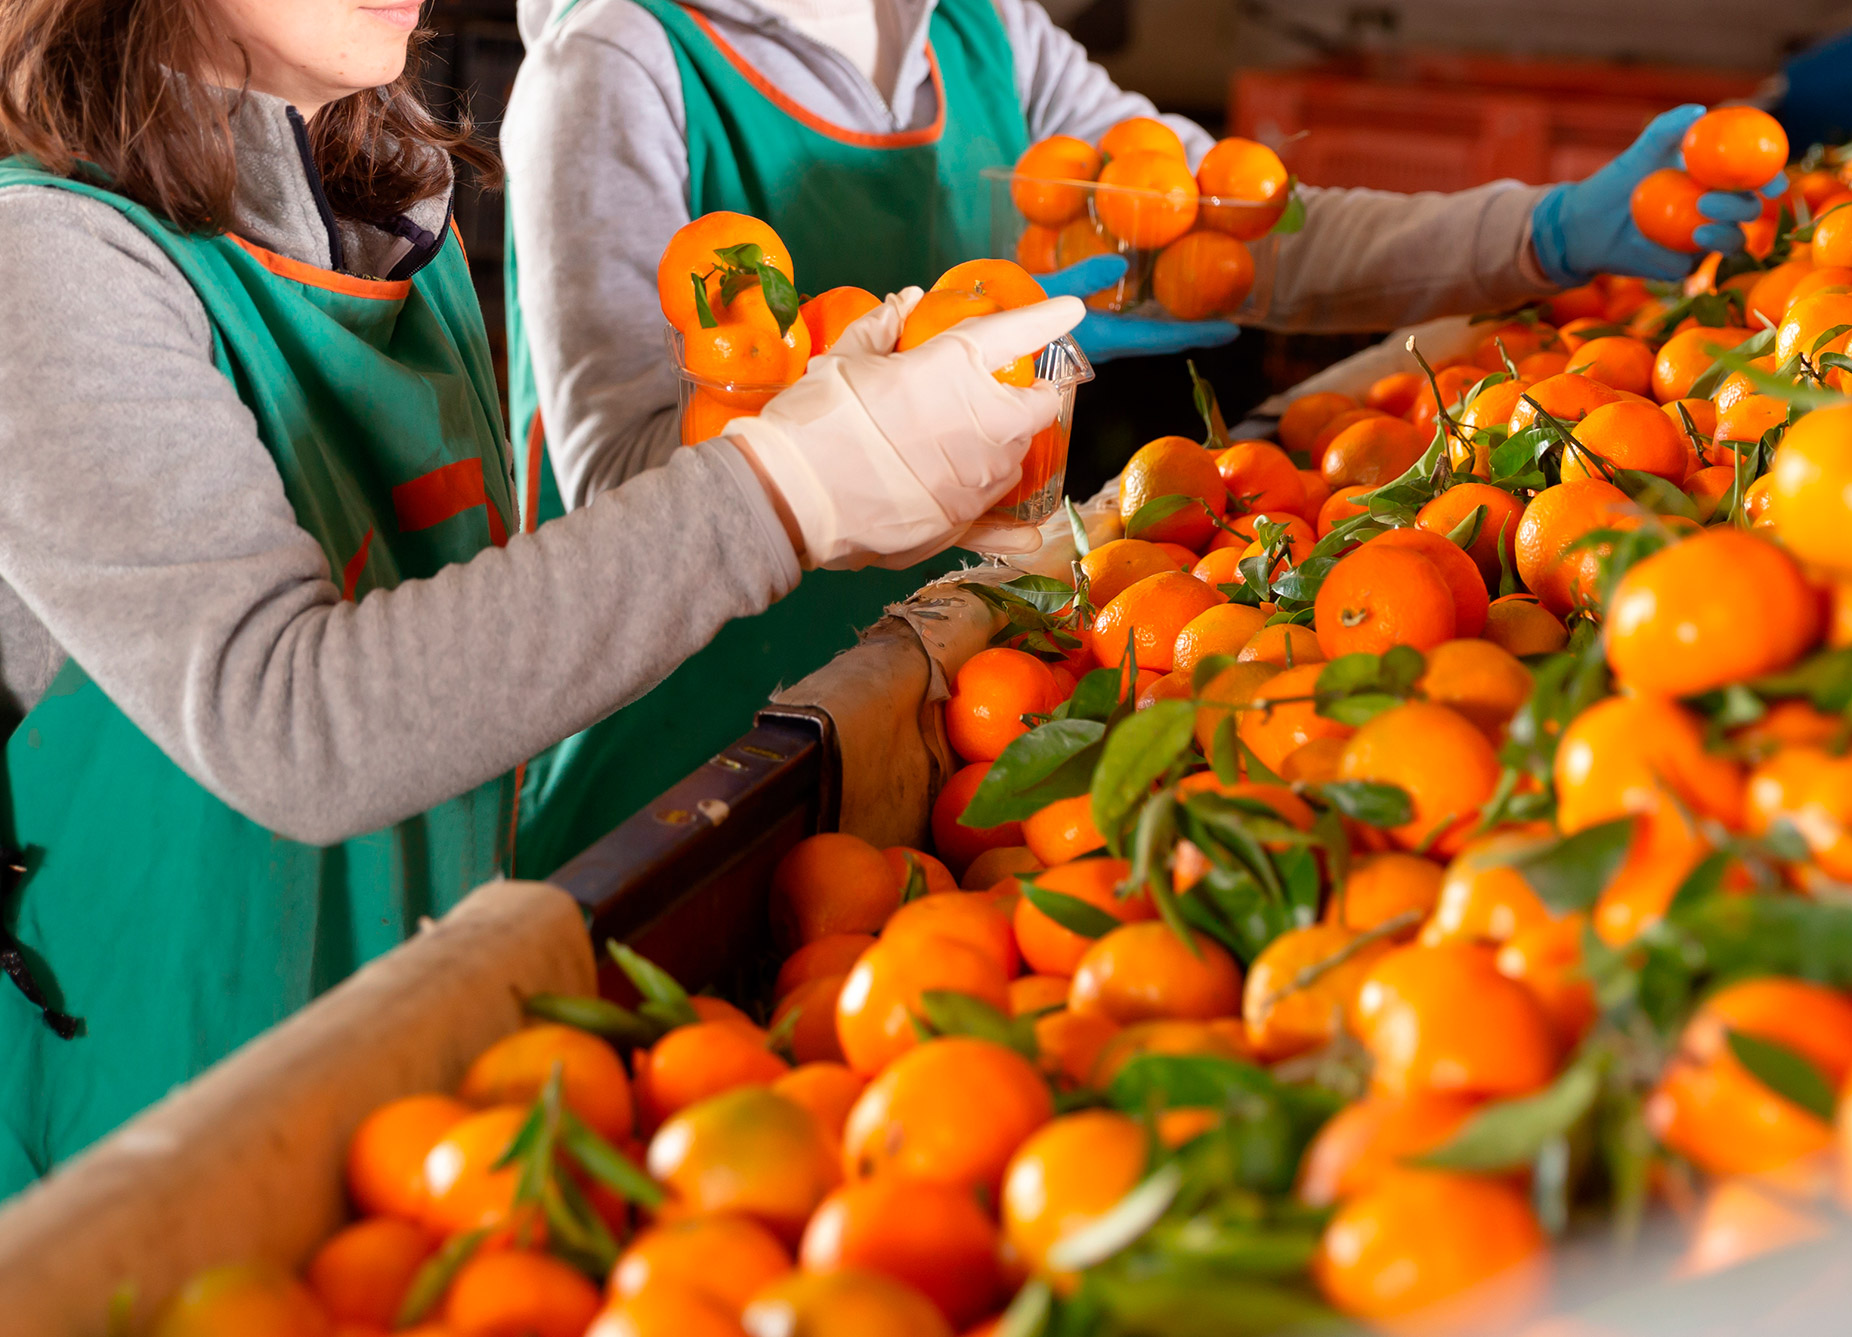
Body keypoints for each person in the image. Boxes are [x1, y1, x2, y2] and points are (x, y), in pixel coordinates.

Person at [0, 0, 1081, 1193]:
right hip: (142, 1149)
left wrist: (828, 451)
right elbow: (292, 719)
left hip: (408, 1089)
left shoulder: (386, 218)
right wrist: (788, 487)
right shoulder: (40, 259)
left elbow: (474, 656)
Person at [501, 0, 1772, 874]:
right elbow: (618, 474)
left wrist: (1541, 233)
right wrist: (1000, 366)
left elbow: (1238, 238)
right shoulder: (616, 60)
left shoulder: (977, 33)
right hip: (701, 765)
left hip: (955, 708)